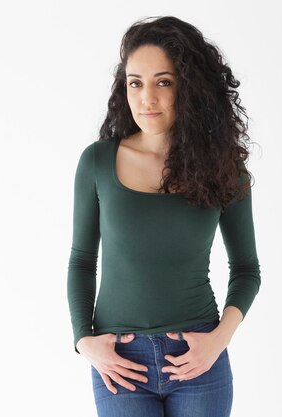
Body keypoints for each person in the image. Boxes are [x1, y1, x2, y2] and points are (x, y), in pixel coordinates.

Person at [66, 16, 261, 417]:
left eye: (163, 82)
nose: (146, 97)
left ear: (188, 88)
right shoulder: (97, 162)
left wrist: (219, 339)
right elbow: (82, 261)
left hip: (198, 359)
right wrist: (83, 339)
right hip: (120, 365)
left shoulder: (222, 167)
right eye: (135, 82)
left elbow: (246, 269)